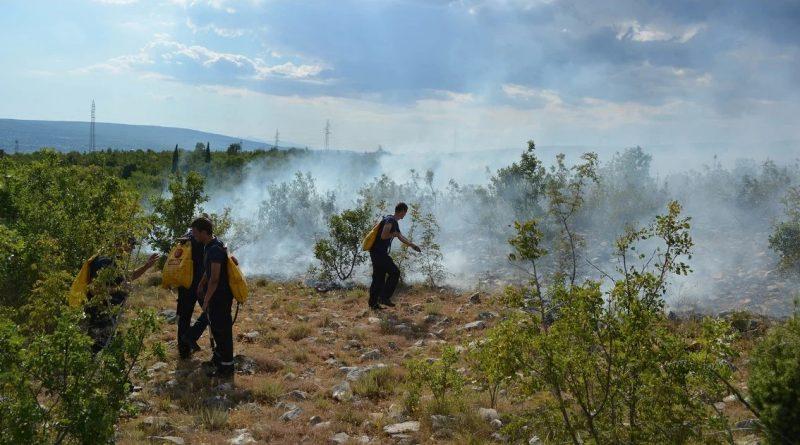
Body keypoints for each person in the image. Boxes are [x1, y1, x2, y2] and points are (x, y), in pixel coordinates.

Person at [85, 237, 159, 353]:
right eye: (131, 244)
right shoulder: (104, 261)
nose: (133, 248)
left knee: (109, 347)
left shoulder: (115, 261)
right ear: (121, 243)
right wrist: (119, 288)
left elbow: (128, 276)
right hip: (100, 314)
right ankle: (89, 369)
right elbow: (94, 289)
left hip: (110, 314)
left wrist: (146, 266)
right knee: (96, 347)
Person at [191, 216, 235, 378]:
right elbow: (209, 271)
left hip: (220, 297)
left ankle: (226, 367)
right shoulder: (210, 245)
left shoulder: (214, 249)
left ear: (204, 232)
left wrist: (207, 299)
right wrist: (201, 282)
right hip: (215, 296)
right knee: (216, 329)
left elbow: (215, 278)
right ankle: (218, 359)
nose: (194, 236)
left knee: (222, 331)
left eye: (196, 233)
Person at [368, 202, 420, 310]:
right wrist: (393, 234)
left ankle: (373, 304)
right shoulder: (390, 220)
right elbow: (383, 236)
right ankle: (384, 297)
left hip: (377, 252)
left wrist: (412, 245)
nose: (404, 216)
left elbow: (400, 236)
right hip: (379, 253)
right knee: (395, 272)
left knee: (379, 278)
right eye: (404, 213)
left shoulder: (393, 221)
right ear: (401, 211)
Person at [176, 228, 209, 359]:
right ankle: (192, 335)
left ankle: (183, 351)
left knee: (184, 317)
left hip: (184, 284)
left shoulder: (184, 239)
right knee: (210, 312)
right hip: (200, 284)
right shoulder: (203, 239)